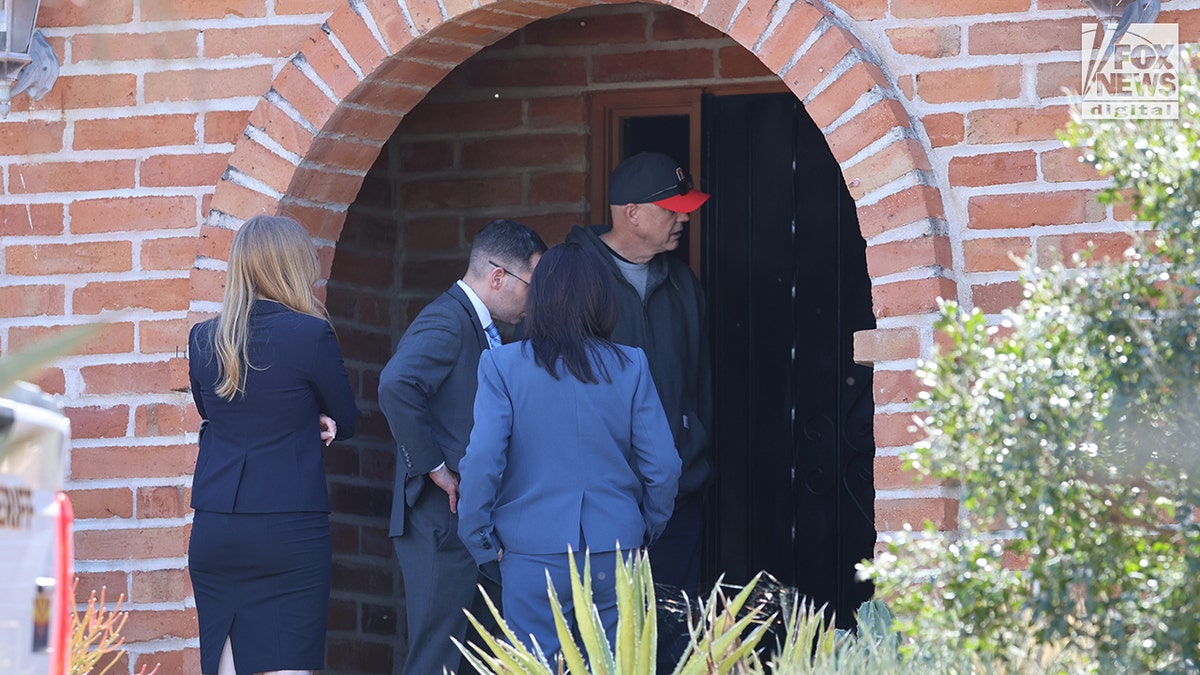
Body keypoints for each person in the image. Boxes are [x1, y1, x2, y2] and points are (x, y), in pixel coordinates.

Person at [457, 243, 681, 656]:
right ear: (601, 300)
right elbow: (664, 466)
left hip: (530, 551)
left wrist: (480, 538)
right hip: (615, 547)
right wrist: (643, 526)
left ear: (538, 299)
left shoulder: (502, 365)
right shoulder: (631, 365)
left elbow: (483, 460)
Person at [187, 214, 358, 675]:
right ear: (294, 266)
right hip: (287, 529)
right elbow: (348, 416)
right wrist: (322, 419)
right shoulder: (309, 334)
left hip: (217, 528)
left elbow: (213, 412)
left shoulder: (204, 338)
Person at [378, 218, 547, 675]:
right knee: (438, 656)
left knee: (475, 660)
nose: (535, 302)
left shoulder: (479, 323)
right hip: (438, 518)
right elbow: (395, 385)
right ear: (498, 277)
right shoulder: (449, 319)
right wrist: (436, 467)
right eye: (533, 286)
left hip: (462, 521)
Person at [564, 151, 713, 596]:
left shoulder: (684, 284)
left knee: (670, 639)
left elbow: (699, 384)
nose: (683, 220)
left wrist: (693, 449)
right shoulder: (569, 277)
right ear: (632, 213)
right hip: (595, 502)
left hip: (677, 499)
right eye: (672, 210)